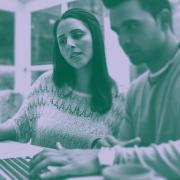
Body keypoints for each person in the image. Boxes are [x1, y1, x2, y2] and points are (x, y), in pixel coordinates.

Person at [30, 0, 180, 179]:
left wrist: (107, 156)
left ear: (163, 20)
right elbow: (122, 152)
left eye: (131, 26)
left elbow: (115, 158)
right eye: (118, 31)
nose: (124, 41)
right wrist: (106, 147)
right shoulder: (136, 91)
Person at [0, 8, 125, 149]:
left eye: (77, 35)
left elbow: (119, 157)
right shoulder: (46, 83)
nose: (69, 44)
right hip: (35, 169)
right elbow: (18, 126)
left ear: (95, 38)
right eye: (62, 41)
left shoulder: (120, 99)